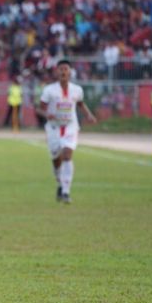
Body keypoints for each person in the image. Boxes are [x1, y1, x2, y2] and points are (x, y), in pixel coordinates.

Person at [39, 59, 97, 204]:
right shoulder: (49, 90)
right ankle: (60, 183)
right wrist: (47, 114)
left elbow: (80, 104)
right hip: (53, 128)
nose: (63, 71)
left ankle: (66, 191)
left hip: (70, 126)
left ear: (70, 72)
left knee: (67, 154)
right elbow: (40, 108)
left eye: (66, 69)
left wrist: (88, 115)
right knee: (56, 159)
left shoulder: (77, 90)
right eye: (60, 69)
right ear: (56, 72)